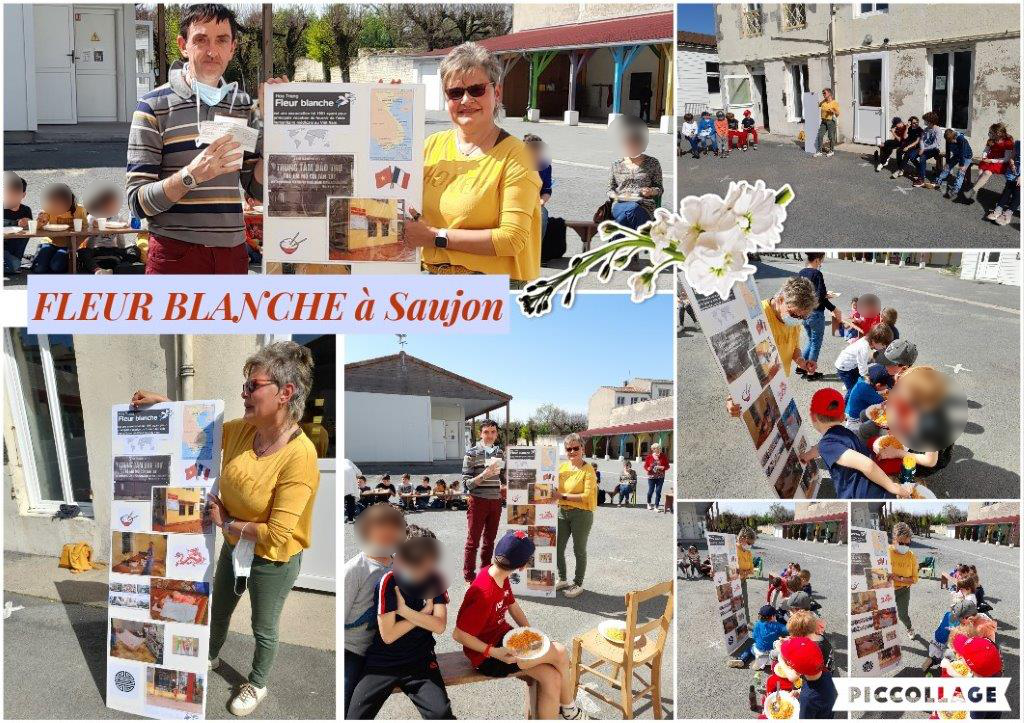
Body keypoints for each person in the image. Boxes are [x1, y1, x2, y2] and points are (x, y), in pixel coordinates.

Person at [132, 340, 320, 716]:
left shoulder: (301, 457)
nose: (244, 393)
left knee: (262, 627)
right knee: (218, 609)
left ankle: (257, 684)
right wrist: (162, 403)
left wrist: (228, 522)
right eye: (245, 385)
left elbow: (279, 534)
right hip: (236, 546)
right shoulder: (240, 431)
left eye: (253, 386)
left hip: (274, 558)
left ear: (285, 393)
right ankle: (211, 657)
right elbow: (195, 426)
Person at [126, 4, 283, 274]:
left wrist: (275, 125)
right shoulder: (153, 107)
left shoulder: (244, 106)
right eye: (200, 39)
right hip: (176, 255)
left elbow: (255, 190)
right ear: (183, 45)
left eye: (221, 40)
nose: (212, 51)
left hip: (232, 254)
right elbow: (137, 203)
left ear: (233, 47)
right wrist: (192, 175)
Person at [405, 42, 541, 286]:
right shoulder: (432, 146)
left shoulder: (517, 156)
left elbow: (512, 239)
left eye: (476, 89)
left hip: (493, 289)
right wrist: (384, 104)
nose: (466, 100)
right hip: (432, 281)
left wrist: (435, 237)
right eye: (455, 92)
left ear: (496, 93)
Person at [454, 530, 588, 720]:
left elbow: (513, 606)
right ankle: (570, 710)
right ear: (523, 566)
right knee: (559, 652)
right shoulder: (484, 592)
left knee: (553, 678)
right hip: (489, 657)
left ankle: (566, 710)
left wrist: (531, 632)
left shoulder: (497, 572)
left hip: (503, 642)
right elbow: (459, 634)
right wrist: (494, 652)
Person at [347, 534, 454, 720]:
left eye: (431, 563)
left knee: (441, 714)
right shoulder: (388, 582)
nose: (427, 571)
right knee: (355, 717)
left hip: (420, 661)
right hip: (382, 663)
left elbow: (439, 625)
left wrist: (405, 612)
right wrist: (423, 613)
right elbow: (389, 635)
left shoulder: (435, 578)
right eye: (421, 565)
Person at [343, 504, 407, 715]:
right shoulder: (355, 569)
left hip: (381, 651)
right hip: (352, 649)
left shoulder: (400, 565)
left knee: (364, 707)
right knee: (346, 702)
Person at [801, 387, 911, 499]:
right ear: (843, 417)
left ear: (814, 418)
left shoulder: (827, 445)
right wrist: (807, 456)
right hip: (873, 484)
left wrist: (891, 486)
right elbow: (821, 447)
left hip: (859, 494)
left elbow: (867, 465)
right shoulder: (840, 433)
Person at [461, 419, 505, 583]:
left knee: (489, 541)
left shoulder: (500, 453)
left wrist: (507, 484)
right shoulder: (471, 453)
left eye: (493, 432)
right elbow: (466, 483)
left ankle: (486, 573)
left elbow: (503, 477)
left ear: (497, 433)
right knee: (473, 542)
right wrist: (484, 475)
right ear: (481, 433)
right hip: (478, 501)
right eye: (486, 432)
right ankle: (469, 577)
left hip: (495, 501)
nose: (490, 435)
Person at [555, 433, 597, 599]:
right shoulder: (562, 468)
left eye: (575, 448)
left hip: (582, 514)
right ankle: (563, 578)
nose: (572, 451)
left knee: (579, 550)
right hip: (562, 512)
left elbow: (586, 496)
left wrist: (562, 496)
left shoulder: (588, 470)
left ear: (582, 449)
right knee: (558, 548)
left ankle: (578, 583)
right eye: (568, 449)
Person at [608, 116, 664, 230]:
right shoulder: (616, 164)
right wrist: (615, 195)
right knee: (630, 210)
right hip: (620, 204)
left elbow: (659, 189)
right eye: (628, 144)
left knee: (629, 213)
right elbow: (610, 189)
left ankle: (616, 243)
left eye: (635, 144)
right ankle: (643, 244)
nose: (631, 147)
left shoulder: (653, 163)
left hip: (644, 205)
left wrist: (651, 191)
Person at [797, 253, 841, 381]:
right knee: (815, 343)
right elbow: (820, 296)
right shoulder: (817, 274)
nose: (821, 263)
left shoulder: (801, 272)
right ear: (817, 260)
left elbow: (809, 293)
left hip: (804, 313)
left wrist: (825, 294)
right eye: (821, 260)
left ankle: (801, 367)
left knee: (810, 340)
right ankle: (811, 373)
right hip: (816, 314)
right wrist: (833, 308)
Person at [29, 183, 87, 274]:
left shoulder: (79, 210)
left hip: (68, 244)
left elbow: (86, 231)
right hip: (50, 241)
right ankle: (40, 255)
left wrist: (75, 246)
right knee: (39, 269)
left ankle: (63, 260)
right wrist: (39, 223)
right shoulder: (48, 209)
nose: (57, 205)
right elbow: (37, 229)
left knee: (56, 267)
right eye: (54, 202)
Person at [79, 185, 134, 274]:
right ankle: (99, 271)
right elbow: (89, 245)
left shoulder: (117, 217)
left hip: (113, 250)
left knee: (134, 251)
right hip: (97, 250)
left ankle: (115, 270)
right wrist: (94, 232)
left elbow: (122, 237)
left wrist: (123, 247)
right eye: (109, 204)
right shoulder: (92, 218)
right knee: (82, 252)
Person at [780, 636, 837, 719]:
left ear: (797, 672)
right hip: (826, 711)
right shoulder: (825, 672)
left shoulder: (807, 699)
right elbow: (821, 691)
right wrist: (800, 691)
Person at [834, 323, 894, 396]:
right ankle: (846, 404)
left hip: (851, 364)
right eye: (883, 344)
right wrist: (867, 379)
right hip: (844, 368)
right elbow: (862, 367)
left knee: (856, 379)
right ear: (874, 341)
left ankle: (848, 383)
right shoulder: (864, 348)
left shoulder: (869, 341)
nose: (884, 347)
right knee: (852, 390)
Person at [965, 122, 1015, 204]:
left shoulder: (1008, 142)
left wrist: (991, 160)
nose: (989, 134)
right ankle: (972, 193)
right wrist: (984, 157)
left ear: (998, 133)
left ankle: (972, 191)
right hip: (989, 160)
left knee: (987, 173)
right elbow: (986, 150)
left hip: (1001, 163)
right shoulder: (991, 140)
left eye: (991, 132)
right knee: (981, 172)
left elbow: (1006, 159)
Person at [729, 604, 787, 668]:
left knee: (750, 647)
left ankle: (741, 659)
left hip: (757, 651)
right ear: (773, 616)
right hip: (771, 653)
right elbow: (788, 630)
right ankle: (767, 661)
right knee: (780, 646)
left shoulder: (757, 624)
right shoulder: (777, 626)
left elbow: (754, 637)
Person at [889, 521, 919, 639]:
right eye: (901, 543)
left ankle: (909, 628)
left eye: (907, 544)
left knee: (902, 615)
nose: (904, 546)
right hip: (887, 590)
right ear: (894, 539)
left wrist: (898, 578)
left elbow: (914, 579)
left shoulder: (911, 555)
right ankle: (887, 638)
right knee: (886, 615)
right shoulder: (886, 552)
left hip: (903, 591)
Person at [523, 134, 553, 239]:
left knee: (542, 216)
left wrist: (542, 201)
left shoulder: (546, 167)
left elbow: (547, 190)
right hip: (516, 202)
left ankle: (536, 251)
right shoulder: (515, 163)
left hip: (536, 203)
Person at [986, 138, 1020, 225]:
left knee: (1018, 190)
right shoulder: (1018, 143)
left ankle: (1008, 212)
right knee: (1008, 189)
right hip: (1014, 169)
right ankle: (999, 208)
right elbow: (1012, 157)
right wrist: (1012, 164)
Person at [3, 171, 32, 275]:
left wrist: (28, 222)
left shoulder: (26, 210)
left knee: (15, 266)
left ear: (23, 194)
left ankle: (15, 262)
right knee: (15, 266)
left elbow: (32, 230)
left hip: (15, 249)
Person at [936, 128, 974, 200]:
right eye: (948, 141)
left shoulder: (961, 139)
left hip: (966, 156)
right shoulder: (948, 140)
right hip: (957, 155)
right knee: (947, 168)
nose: (950, 142)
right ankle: (939, 181)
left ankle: (955, 190)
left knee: (960, 172)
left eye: (951, 141)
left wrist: (962, 165)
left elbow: (962, 152)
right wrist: (947, 162)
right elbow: (948, 152)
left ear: (954, 137)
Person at [909, 112, 943, 188]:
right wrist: (922, 148)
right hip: (923, 148)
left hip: (934, 150)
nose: (925, 122)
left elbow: (936, 144)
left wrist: (923, 149)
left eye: (926, 120)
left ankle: (921, 179)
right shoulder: (926, 129)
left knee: (922, 157)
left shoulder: (937, 130)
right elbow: (921, 140)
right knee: (911, 156)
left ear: (930, 121)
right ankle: (920, 170)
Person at [737, 527, 756, 624]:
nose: (750, 546)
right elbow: (730, 568)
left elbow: (752, 569)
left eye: (751, 544)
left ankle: (747, 622)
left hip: (743, 581)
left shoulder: (748, 552)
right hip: (733, 582)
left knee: (745, 603)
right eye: (749, 543)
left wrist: (743, 572)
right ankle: (737, 625)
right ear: (741, 538)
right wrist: (743, 571)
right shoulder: (734, 550)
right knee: (735, 605)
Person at [643, 443, 670, 511]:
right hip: (651, 477)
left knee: (658, 491)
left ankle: (656, 506)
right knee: (650, 491)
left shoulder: (663, 456)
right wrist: (648, 468)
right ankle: (649, 503)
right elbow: (645, 466)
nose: (657, 450)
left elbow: (667, 466)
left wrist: (662, 467)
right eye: (655, 448)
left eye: (658, 448)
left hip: (660, 477)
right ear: (652, 449)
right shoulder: (649, 457)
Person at [814, 88, 840, 157]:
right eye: (823, 93)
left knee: (831, 137)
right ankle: (819, 151)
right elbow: (819, 105)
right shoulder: (824, 101)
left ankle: (831, 151)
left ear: (829, 94)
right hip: (823, 121)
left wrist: (833, 111)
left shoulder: (834, 103)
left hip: (831, 121)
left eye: (824, 93)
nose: (823, 94)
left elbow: (837, 114)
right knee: (820, 135)